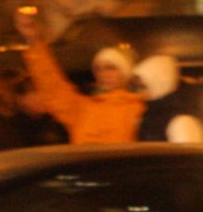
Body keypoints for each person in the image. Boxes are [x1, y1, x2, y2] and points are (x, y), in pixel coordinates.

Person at [12, 10, 144, 144]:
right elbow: (53, 88)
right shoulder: (82, 109)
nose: (104, 74)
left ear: (125, 72)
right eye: (99, 69)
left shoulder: (139, 109)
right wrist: (34, 41)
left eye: (111, 68)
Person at [134, 54, 203, 143]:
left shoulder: (180, 122)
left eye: (143, 87)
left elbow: (187, 155)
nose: (138, 92)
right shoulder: (149, 114)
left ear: (157, 86)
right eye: (136, 87)